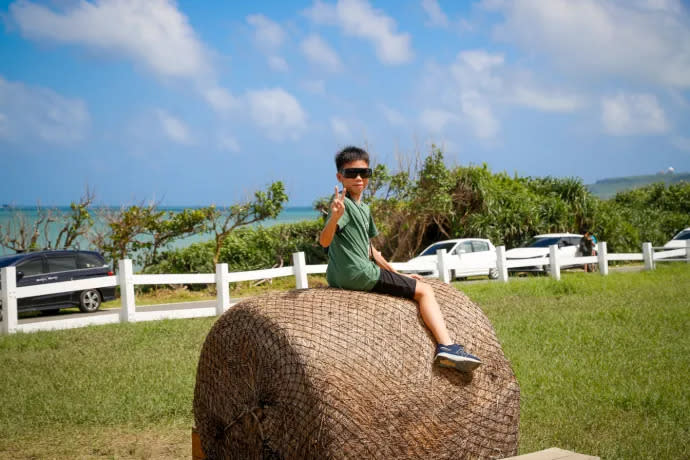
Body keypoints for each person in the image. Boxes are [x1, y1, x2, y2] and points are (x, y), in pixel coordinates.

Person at [319, 146, 482, 373]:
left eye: (364, 173)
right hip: (360, 275)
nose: (358, 178)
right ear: (340, 177)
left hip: (339, 277)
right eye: (351, 173)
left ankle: (447, 345)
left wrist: (396, 274)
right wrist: (334, 217)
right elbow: (325, 241)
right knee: (424, 291)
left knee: (411, 282)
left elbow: (371, 250)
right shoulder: (340, 204)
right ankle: (447, 347)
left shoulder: (363, 208)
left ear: (369, 176)